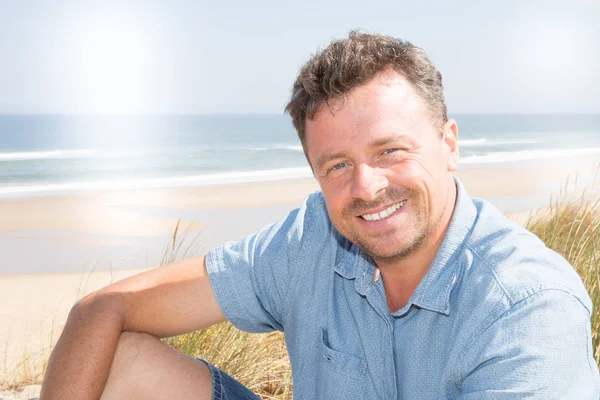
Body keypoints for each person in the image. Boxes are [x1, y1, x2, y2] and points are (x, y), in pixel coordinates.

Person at [40, 31, 599, 399]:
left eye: (390, 151)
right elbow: (102, 309)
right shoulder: (313, 240)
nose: (367, 187)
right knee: (118, 362)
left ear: (448, 142)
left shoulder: (526, 308)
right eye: (336, 165)